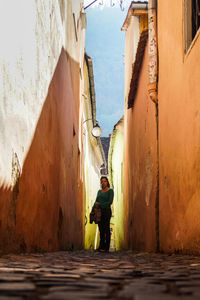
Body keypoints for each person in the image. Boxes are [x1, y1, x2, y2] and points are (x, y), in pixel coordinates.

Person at [93, 176, 114, 252]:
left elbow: (110, 202)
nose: (103, 183)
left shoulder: (110, 191)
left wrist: (100, 205)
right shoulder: (99, 192)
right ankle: (101, 246)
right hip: (99, 212)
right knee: (101, 229)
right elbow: (96, 201)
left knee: (106, 228)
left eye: (104, 181)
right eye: (101, 181)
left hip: (106, 211)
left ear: (107, 182)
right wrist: (93, 210)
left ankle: (106, 247)